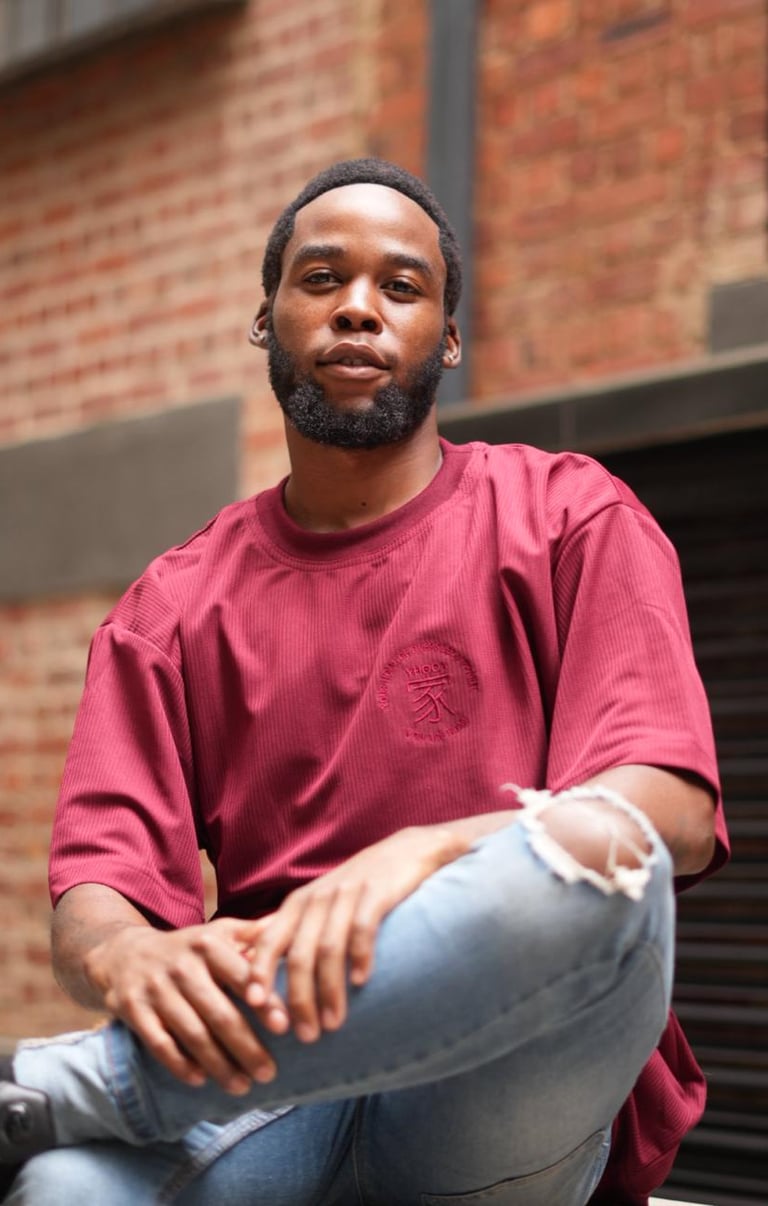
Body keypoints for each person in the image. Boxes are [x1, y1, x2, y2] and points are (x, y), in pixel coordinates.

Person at [0, 159, 728, 1206]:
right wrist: (124, 957)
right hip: (271, 1089)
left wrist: (422, 854)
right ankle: (74, 1101)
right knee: (65, 1189)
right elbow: (99, 889)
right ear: (266, 321)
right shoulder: (171, 607)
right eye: (321, 278)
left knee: (603, 860)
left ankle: (80, 1084)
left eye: (400, 286)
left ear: (449, 338)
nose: (356, 307)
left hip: (501, 1083)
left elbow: (675, 815)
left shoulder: (570, 515)